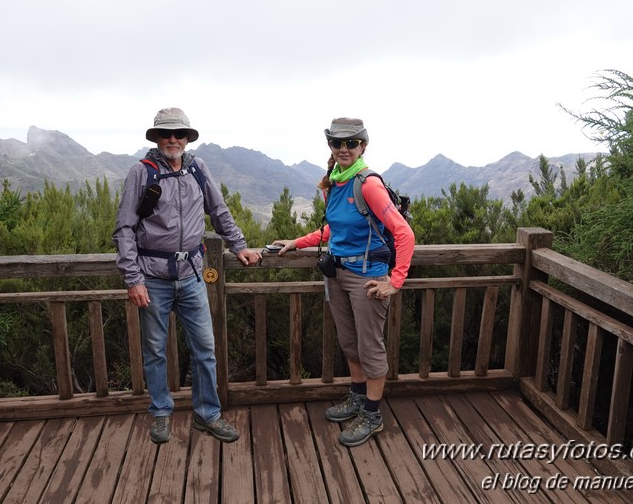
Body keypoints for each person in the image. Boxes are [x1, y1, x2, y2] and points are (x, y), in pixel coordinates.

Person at [113, 107, 262, 444]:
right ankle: (161, 413)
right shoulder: (142, 173)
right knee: (154, 351)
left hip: (193, 274)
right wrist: (133, 279)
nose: (173, 139)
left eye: (179, 133)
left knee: (205, 348)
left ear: (187, 137)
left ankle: (207, 414)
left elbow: (218, 210)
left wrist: (240, 246)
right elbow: (124, 229)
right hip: (152, 277)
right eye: (166, 134)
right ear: (156, 137)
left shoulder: (197, 168)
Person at [273, 117, 415, 447]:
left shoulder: (367, 184)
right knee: (350, 342)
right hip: (338, 274)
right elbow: (335, 230)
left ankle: (372, 414)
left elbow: (403, 232)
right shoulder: (335, 183)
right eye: (338, 143)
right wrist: (299, 241)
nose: (344, 148)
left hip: (367, 278)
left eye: (351, 142)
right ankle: (357, 396)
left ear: (363, 145)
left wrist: (395, 282)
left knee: (370, 347)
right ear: (330, 147)